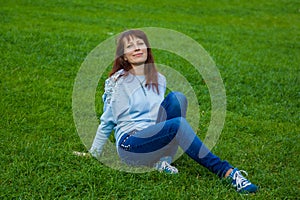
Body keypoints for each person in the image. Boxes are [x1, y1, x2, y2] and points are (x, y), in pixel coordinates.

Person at [89, 29, 258, 194]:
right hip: (130, 145)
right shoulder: (119, 81)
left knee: (178, 98)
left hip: (152, 137)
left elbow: (156, 116)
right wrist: (94, 152)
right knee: (177, 125)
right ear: (124, 56)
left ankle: (163, 161)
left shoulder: (159, 79)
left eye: (140, 43)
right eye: (130, 46)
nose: (137, 48)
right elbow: (108, 121)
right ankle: (227, 172)